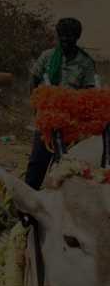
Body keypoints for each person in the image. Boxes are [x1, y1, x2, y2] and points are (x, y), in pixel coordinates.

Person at [26, 17, 96, 190]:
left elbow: (88, 93)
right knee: (37, 164)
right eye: (62, 36)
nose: (65, 39)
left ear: (77, 37)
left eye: (70, 36)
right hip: (46, 123)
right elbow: (34, 80)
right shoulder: (48, 57)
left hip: (70, 126)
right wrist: (37, 105)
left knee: (64, 167)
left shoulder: (85, 63)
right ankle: (26, 206)